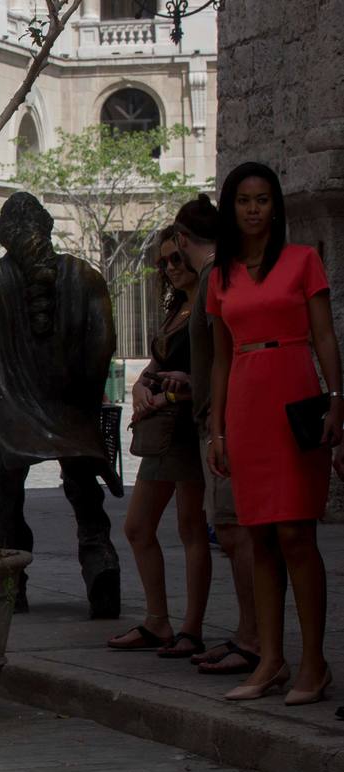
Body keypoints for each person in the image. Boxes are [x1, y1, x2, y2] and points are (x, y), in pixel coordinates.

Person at [207, 162, 341, 705]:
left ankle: (314, 662)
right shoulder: (221, 275)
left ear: (276, 206)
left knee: (295, 535)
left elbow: (326, 338)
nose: (254, 209)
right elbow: (218, 361)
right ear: (231, 208)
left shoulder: (303, 261)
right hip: (245, 402)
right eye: (243, 200)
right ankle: (270, 660)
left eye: (263, 199)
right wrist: (216, 431)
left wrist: (338, 399)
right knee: (257, 535)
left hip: (296, 398)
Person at [0, 191, 121, 618]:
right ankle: (100, 562)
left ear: (4, 237)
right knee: (85, 496)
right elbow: (103, 347)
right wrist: (84, 401)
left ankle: (15, 583)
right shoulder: (86, 276)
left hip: (13, 417)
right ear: (46, 228)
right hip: (72, 411)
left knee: (7, 498)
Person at [107, 226, 211, 657]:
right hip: (164, 425)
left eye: (176, 259)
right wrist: (139, 389)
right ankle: (162, 621)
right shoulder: (180, 308)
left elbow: (212, 361)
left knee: (185, 528)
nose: (170, 268)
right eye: (163, 262)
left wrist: (175, 388)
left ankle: (183, 626)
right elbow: (156, 364)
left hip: (186, 426)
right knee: (145, 527)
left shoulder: (205, 302)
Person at [178, 194, 264, 675]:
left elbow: (223, 353)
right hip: (217, 417)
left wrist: (218, 425)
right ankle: (249, 633)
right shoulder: (217, 274)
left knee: (233, 530)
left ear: (183, 239)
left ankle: (253, 637)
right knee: (229, 530)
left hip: (223, 420)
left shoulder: (214, 275)